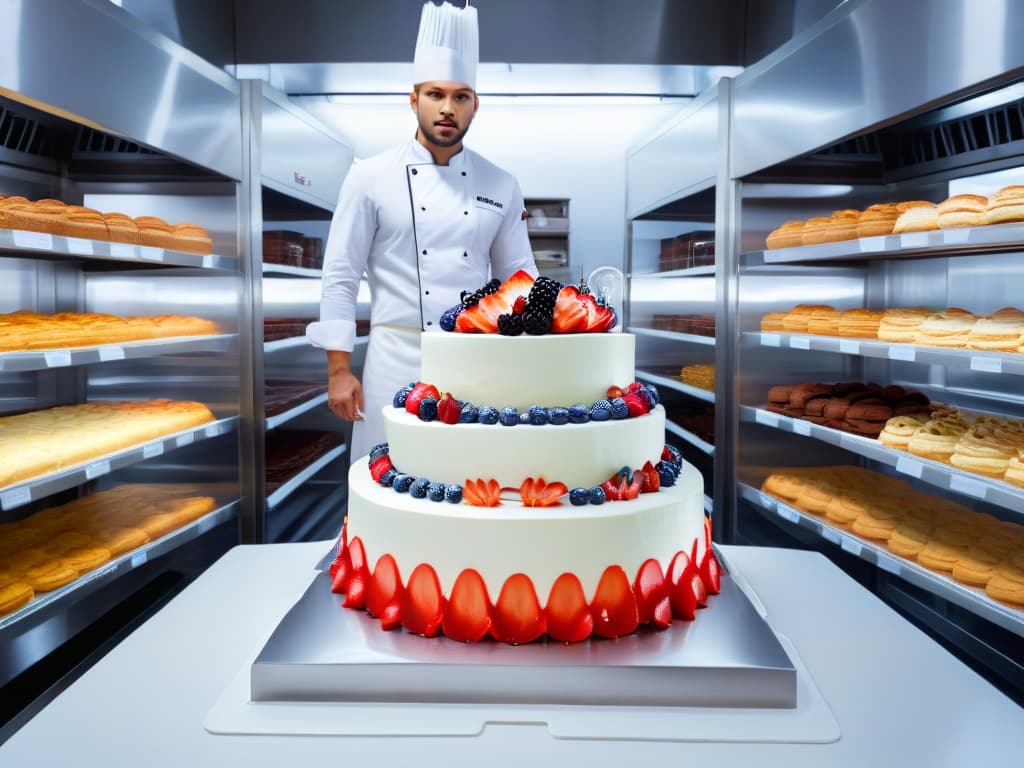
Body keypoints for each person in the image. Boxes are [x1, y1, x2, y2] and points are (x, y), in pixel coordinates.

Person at [306, 1, 538, 462]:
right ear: (414, 100)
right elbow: (341, 276)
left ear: (475, 106)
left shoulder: (501, 183)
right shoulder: (369, 176)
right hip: (393, 359)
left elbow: (521, 283)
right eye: (435, 94)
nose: (447, 108)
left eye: (460, 96)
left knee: (468, 482)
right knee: (386, 484)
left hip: (476, 362)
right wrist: (338, 371)